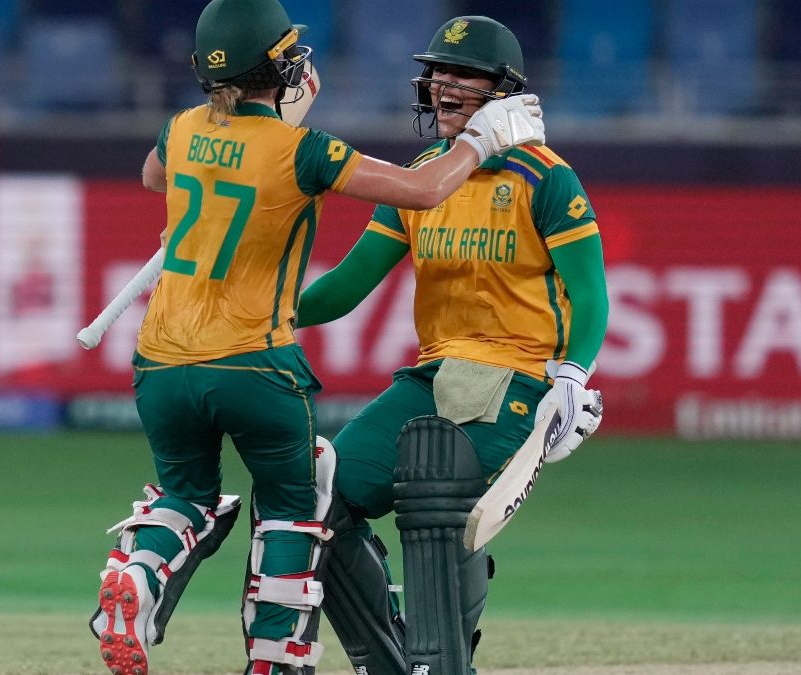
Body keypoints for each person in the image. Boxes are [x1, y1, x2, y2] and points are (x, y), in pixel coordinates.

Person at [86, 3, 546, 675]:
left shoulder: (182, 129)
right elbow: (422, 189)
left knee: (187, 495)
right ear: (278, 65)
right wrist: (481, 139)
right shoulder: (306, 149)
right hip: (254, 362)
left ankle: (138, 572)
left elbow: (157, 175)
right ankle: (276, 657)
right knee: (296, 508)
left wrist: (251, 135)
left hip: (159, 361)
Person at [296, 15, 609, 675]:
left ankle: (441, 660)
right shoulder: (422, 177)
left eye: (460, 73)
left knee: (433, 495)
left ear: (502, 92)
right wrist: (260, 308)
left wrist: (574, 376)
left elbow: (591, 293)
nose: (441, 84)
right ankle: (392, 657)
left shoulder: (546, 178)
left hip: (519, 380)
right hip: (436, 372)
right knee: (314, 497)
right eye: (436, 71)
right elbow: (347, 287)